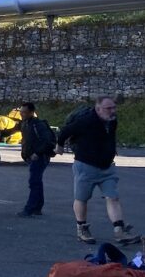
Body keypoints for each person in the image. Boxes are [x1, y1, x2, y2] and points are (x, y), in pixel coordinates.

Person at [57, 96, 139, 245]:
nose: (112, 111)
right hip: (85, 167)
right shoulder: (86, 121)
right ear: (98, 109)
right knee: (82, 199)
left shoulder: (112, 120)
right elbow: (65, 131)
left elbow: (109, 137)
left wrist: (111, 150)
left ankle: (119, 231)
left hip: (107, 168)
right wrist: (59, 146)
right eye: (109, 108)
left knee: (113, 197)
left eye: (114, 107)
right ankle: (82, 229)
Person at [17, 102, 56, 217]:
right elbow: (12, 129)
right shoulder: (24, 123)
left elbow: (47, 141)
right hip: (32, 157)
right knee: (37, 182)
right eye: (21, 112)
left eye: (24, 112)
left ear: (31, 113)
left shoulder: (38, 125)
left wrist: (37, 153)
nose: (22, 114)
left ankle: (29, 209)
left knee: (34, 182)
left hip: (40, 157)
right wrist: (0, 132)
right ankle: (37, 208)